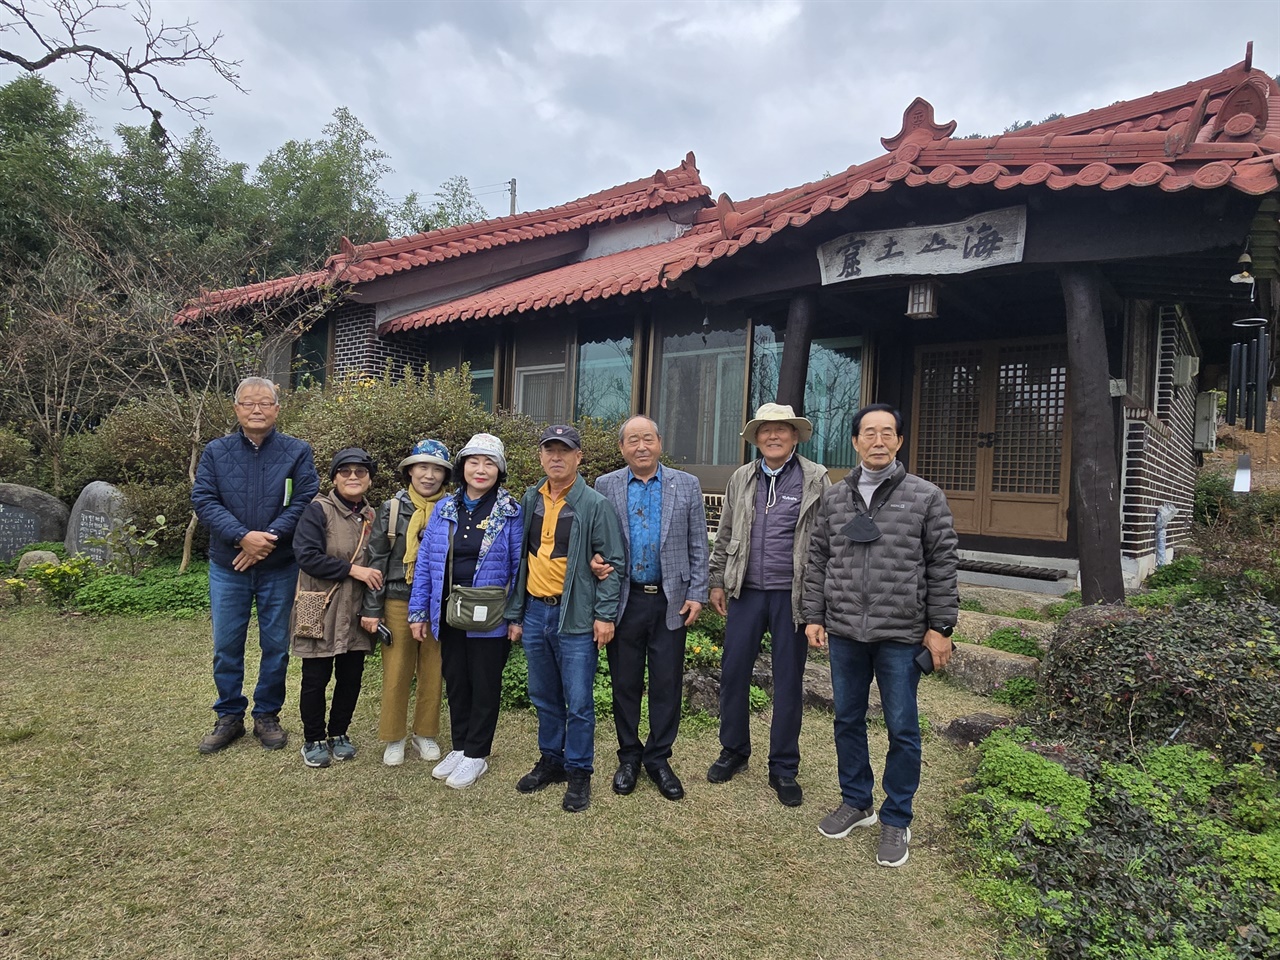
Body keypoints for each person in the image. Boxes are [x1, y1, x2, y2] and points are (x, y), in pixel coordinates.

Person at [802, 403, 958, 868]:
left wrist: (940, 627)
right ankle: (857, 801)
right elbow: (817, 560)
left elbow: (944, 564)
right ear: (855, 442)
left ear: (899, 441)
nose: (877, 441)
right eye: (868, 433)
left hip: (901, 633)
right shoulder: (833, 499)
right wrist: (814, 615)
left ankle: (896, 817)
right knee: (846, 718)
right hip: (846, 630)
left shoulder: (925, 496)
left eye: (887, 432)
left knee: (902, 728)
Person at [706, 402, 829, 807]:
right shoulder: (742, 477)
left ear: (794, 436)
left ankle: (784, 767)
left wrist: (819, 600)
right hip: (745, 591)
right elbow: (724, 533)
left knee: (789, 681)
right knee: (734, 672)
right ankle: (734, 750)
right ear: (755, 438)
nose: (773, 436)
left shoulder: (815, 478)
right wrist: (717, 580)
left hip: (791, 595)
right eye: (765, 431)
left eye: (781, 430)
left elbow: (827, 542)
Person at [192, 377, 319, 755]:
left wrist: (267, 539)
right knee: (226, 644)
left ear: (278, 409)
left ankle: (267, 714)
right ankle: (229, 714)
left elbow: (305, 498)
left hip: (279, 565)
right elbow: (204, 498)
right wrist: (242, 537)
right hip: (228, 564)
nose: (257, 409)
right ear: (236, 409)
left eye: (265, 403)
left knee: (276, 644)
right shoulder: (216, 451)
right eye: (248, 403)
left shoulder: (297, 451)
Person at [506, 424, 624, 813]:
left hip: (574, 616)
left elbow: (613, 564)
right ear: (540, 456)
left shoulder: (593, 504)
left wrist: (605, 616)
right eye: (549, 450)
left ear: (579, 457)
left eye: (565, 451)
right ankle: (551, 761)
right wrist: (517, 613)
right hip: (536, 611)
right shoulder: (531, 498)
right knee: (543, 695)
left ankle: (578, 772)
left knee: (578, 701)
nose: (556, 457)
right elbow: (521, 560)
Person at [593, 416, 708, 801]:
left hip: (670, 599)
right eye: (632, 441)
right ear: (622, 448)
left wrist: (697, 592)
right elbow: (596, 539)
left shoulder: (686, 485)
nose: (640, 446)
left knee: (666, 683)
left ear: (659, 443)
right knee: (624, 682)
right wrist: (595, 561)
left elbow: (698, 545)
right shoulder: (605, 485)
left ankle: (658, 757)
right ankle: (628, 756)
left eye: (647, 439)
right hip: (625, 599)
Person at [406, 433, 522, 789]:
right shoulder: (445, 508)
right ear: (462, 467)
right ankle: (459, 746)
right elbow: (426, 562)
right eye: (474, 461)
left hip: (491, 615)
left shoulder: (510, 511)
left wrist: (516, 616)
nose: (481, 469)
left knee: (485, 683)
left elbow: (520, 568)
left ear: (499, 470)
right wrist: (418, 612)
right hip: (448, 611)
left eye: (489, 463)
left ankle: (477, 754)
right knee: (456, 681)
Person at [359, 439, 453, 767]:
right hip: (398, 598)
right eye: (423, 467)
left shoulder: (452, 509)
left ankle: (425, 732)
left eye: (437, 469)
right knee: (397, 670)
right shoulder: (393, 508)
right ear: (410, 470)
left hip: (437, 602)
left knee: (433, 669)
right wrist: (372, 609)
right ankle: (394, 736)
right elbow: (376, 561)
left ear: (445, 475)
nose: (429, 475)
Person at [292, 448, 384, 768]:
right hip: (320, 605)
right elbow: (306, 556)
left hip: (357, 607)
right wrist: (353, 570)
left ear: (370, 480)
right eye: (345, 471)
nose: (353, 477)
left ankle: (339, 733)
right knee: (316, 676)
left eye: (361, 471)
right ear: (334, 478)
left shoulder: (374, 517)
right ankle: (313, 738)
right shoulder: (318, 510)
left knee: (351, 676)